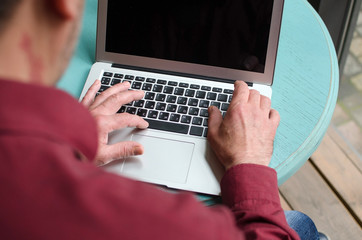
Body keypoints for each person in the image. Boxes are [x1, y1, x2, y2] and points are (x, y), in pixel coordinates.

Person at [0, 0, 325, 239]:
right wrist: (250, 161)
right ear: (64, 5)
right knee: (300, 227)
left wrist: (74, 148)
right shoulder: (163, 224)